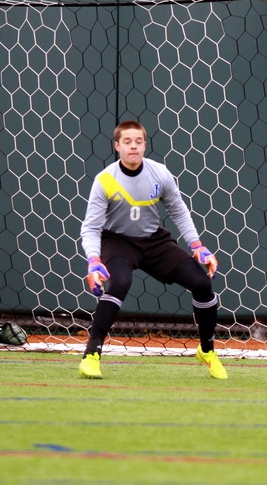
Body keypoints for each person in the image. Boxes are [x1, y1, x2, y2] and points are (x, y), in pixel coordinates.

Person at [78, 120, 226, 380]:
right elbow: (90, 228)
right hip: (118, 241)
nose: (133, 146)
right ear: (117, 146)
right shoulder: (105, 180)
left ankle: (207, 350)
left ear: (144, 145)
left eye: (138, 141)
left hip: (154, 241)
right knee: (120, 283)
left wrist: (197, 245)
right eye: (127, 142)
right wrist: (93, 260)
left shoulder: (160, 174)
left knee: (202, 283)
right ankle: (91, 355)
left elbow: (178, 210)